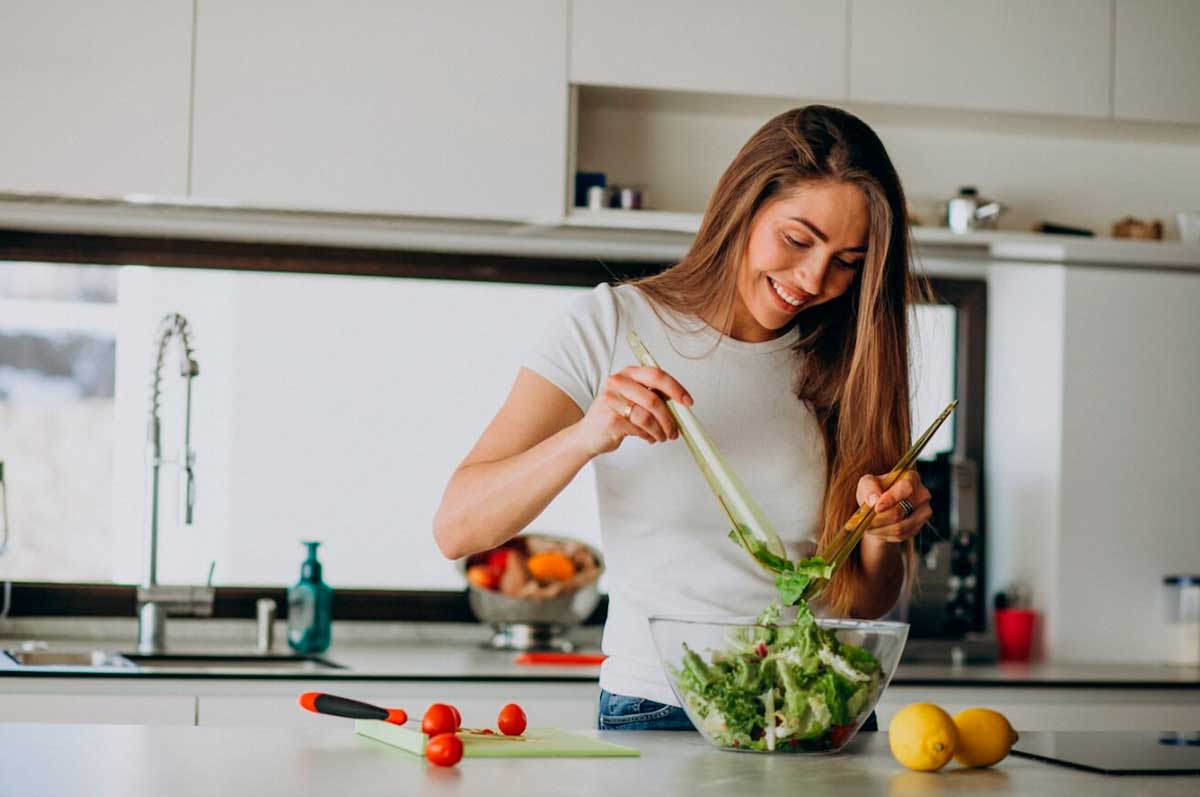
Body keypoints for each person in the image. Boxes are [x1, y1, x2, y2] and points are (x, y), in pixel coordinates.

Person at [433, 106, 933, 731]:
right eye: (797, 240)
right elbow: (458, 528)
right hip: (663, 705)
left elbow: (860, 598)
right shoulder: (611, 326)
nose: (813, 279)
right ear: (743, 208)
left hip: (821, 709)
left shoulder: (850, 361)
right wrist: (588, 434)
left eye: (847, 261)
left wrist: (886, 534)